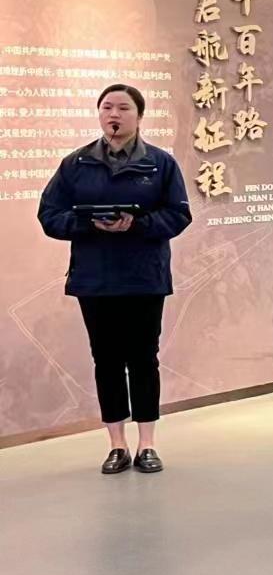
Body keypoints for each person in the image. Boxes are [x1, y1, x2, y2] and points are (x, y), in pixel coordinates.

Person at [37, 83, 192, 474]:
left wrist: (136, 224)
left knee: (143, 359)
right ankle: (116, 444)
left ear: (139, 115)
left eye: (123, 108)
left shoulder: (161, 164)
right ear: (99, 114)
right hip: (95, 278)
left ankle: (147, 444)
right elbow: (49, 215)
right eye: (107, 107)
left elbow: (179, 214)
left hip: (144, 277)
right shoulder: (76, 163)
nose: (114, 115)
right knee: (105, 360)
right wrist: (87, 223)